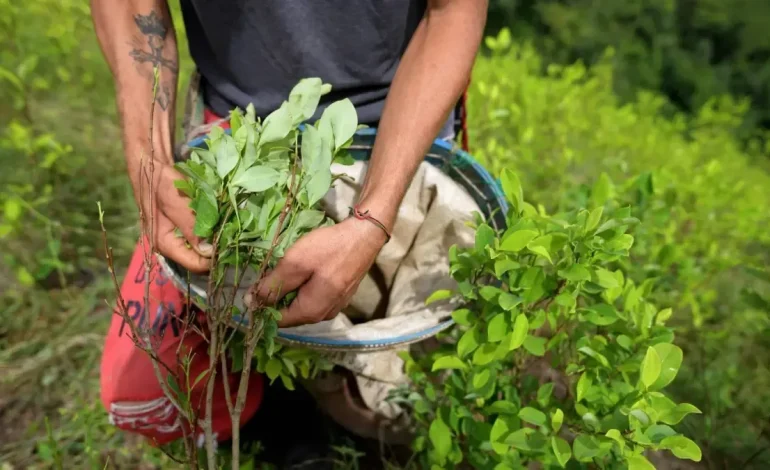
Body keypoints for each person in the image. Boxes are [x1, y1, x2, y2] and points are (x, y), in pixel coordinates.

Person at [92, 0, 487, 461]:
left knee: (413, 370)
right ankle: (288, 419)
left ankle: (367, 426)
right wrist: (151, 160)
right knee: (142, 390)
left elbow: (453, 11)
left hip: (400, 123)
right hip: (240, 129)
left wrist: (373, 218)